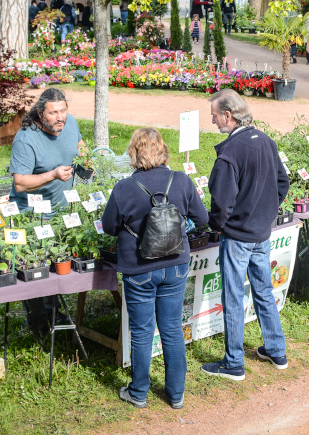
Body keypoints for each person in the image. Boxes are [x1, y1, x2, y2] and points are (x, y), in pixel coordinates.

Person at [102, 128, 208, 410]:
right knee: (172, 329)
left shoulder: (124, 188)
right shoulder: (182, 181)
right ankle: (176, 395)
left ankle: (139, 392)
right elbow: (203, 217)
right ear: (163, 150)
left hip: (138, 268)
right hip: (175, 264)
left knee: (142, 331)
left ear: (133, 153)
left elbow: (110, 227)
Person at [201, 89, 290, 381]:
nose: (213, 122)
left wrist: (217, 226)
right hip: (262, 234)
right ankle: (276, 351)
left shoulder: (230, 152)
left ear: (228, 115)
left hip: (238, 236)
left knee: (234, 296)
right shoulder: (265, 140)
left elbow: (221, 201)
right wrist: (265, 213)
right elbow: (282, 182)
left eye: (214, 116)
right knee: (264, 291)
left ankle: (233, 363)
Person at [10, 88, 86, 335]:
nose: (60, 117)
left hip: (63, 209)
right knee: (36, 269)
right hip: (32, 215)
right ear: (40, 114)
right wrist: (52, 174)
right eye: (54, 113)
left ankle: (53, 311)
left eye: (63, 111)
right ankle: (39, 322)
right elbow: (20, 182)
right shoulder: (26, 139)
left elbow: (80, 145)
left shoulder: (69, 123)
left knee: (57, 263)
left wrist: (86, 161)